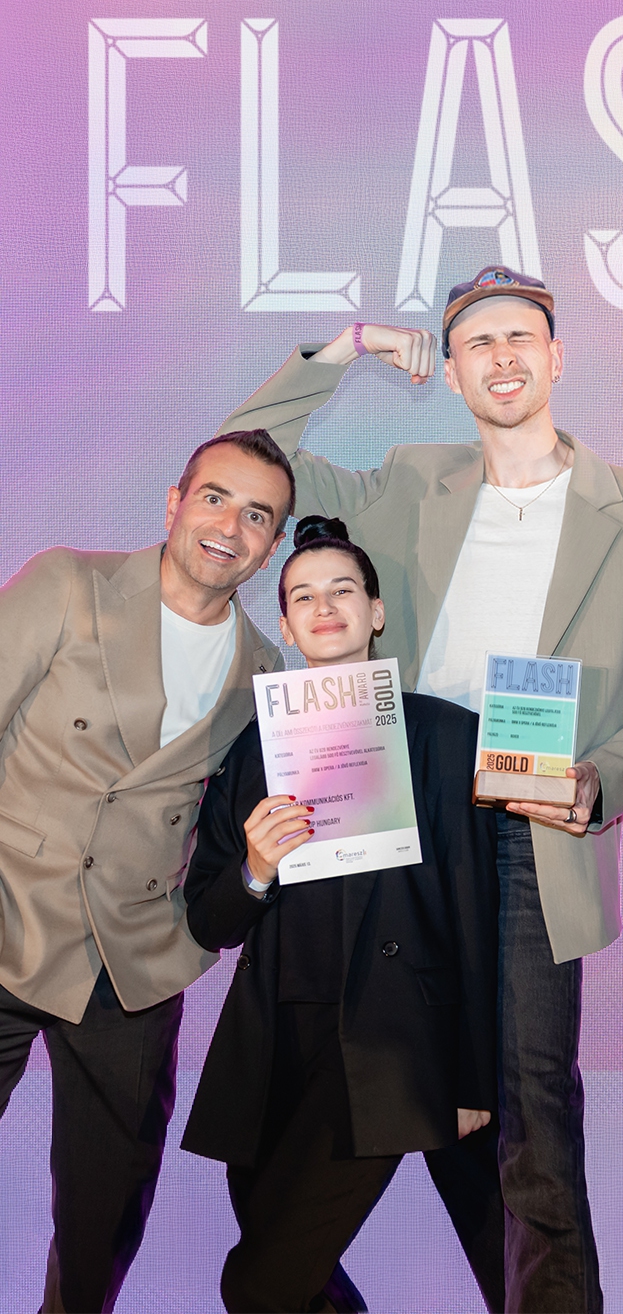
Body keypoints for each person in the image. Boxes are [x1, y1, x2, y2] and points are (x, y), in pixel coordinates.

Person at [214, 268, 623, 1312]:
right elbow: (245, 463)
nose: (502, 357)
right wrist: (344, 350)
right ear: (453, 371)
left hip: (533, 827)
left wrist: (593, 783)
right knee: (371, 1088)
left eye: (521, 337)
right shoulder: (408, 480)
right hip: (394, 812)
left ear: (556, 356)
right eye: (478, 342)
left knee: (530, 1114)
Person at [0, 429, 294, 1313]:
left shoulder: (263, 670)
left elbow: (227, 835)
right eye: (215, 498)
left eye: (257, 516)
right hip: (9, 917)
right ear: (173, 503)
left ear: (272, 544)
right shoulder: (69, 584)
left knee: (101, 1222)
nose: (229, 527)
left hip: (131, 966)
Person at [180, 516, 501, 1314]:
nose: (324, 607)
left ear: (376, 612)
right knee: (291, 1282)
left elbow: (476, 916)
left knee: (257, 1286)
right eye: (303, 596)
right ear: (285, 627)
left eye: (343, 591)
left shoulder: (445, 737)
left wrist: (473, 1076)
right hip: (274, 1050)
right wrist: (255, 870)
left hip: (387, 1052)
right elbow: (209, 921)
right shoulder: (253, 748)